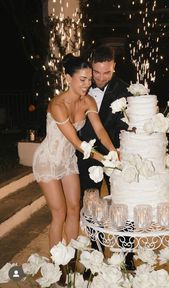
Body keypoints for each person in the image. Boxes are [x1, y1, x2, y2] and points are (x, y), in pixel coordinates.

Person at [32, 53, 117, 251]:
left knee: (74, 209)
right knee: (59, 213)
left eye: (89, 79)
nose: (87, 84)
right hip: (48, 160)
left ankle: (70, 259)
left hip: (68, 160)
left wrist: (113, 150)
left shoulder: (88, 102)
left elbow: (100, 129)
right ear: (68, 78)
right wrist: (105, 160)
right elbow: (78, 143)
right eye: (82, 79)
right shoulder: (57, 105)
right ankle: (57, 267)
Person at [77, 45, 135, 270]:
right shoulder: (81, 84)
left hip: (115, 156)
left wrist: (118, 153)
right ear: (91, 66)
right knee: (91, 206)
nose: (100, 78)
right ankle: (97, 254)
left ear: (114, 67)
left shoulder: (124, 89)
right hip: (86, 157)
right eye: (97, 72)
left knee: (122, 204)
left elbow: (126, 125)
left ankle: (127, 257)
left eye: (106, 73)